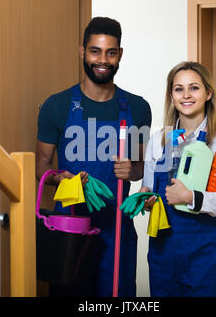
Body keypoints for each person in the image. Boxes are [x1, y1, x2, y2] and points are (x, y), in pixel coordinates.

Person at [36, 17, 152, 297]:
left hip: (117, 230)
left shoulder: (137, 108)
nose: (103, 60)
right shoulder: (57, 105)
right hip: (70, 229)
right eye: (95, 51)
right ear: (82, 52)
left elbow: (139, 170)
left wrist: (132, 171)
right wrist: (59, 177)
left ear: (120, 54)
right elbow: (41, 165)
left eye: (111, 52)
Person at [140, 61, 216, 297]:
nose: (186, 95)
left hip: (205, 255)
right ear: (171, 95)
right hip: (163, 252)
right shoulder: (159, 140)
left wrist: (191, 197)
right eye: (179, 89)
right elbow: (148, 187)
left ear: (208, 93)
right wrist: (145, 199)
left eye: (194, 88)